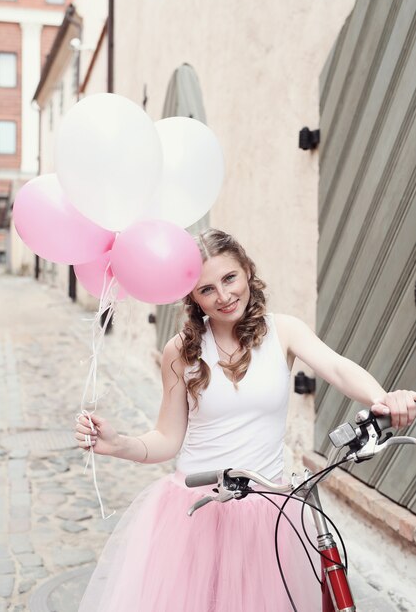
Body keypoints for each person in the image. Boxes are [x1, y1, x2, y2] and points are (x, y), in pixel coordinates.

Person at [75, 228, 416, 612]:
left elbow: (337, 368)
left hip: (269, 508)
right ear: (192, 296)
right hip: (197, 509)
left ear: (247, 271)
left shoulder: (283, 331)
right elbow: (167, 438)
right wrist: (118, 443)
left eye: (229, 278)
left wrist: (383, 399)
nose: (223, 296)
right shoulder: (180, 351)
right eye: (207, 290)